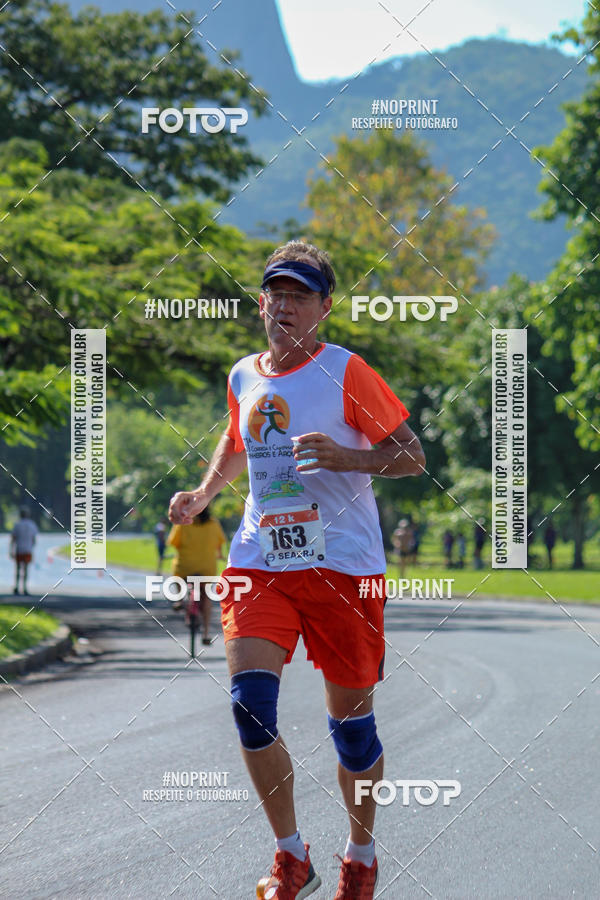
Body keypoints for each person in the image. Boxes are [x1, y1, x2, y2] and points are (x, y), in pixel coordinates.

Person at [169, 240, 426, 899]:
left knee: (352, 731)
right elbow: (236, 440)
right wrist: (202, 494)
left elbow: (410, 455)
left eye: (299, 295)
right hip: (263, 562)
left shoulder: (347, 372)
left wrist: (350, 458)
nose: (283, 305)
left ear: (324, 308)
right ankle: (291, 857)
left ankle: (360, 857)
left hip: (343, 567)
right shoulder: (242, 376)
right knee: (251, 708)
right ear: (261, 302)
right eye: (275, 293)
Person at [167, 507, 227, 644]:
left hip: (185, 566)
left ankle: (180, 600)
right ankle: (206, 633)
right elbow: (219, 543)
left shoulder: (182, 523)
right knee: (206, 596)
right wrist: (219, 555)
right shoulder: (213, 523)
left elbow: (174, 543)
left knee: (177, 575)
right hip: (206, 567)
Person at [10, 507, 38, 596]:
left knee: (18, 569)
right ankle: (25, 588)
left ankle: (17, 587)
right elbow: (34, 540)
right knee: (26, 569)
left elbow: (13, 539)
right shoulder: (32, 525)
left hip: (19, 549)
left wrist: (11, 550)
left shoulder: (17, 525)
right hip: (28, 550)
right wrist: (31, 548)